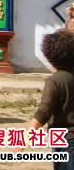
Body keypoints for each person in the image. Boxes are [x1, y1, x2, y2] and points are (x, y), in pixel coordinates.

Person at [30, 29, 74, 169]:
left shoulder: (54, 81)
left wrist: (28, 135)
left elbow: (44, 110)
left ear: (49, 57)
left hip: (64, 139)